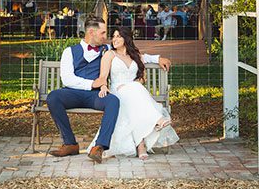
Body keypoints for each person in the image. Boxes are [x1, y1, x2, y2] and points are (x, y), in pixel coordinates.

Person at [47, 15, 170, 163]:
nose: (106, 37)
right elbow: (67, 79)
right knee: (53, 97)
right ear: (91, 32)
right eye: (103, 33)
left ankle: (99, 147)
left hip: (96, 95)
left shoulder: (107, 49)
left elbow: (131, 54)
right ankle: (70, 143)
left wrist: (157, 59)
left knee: (113, 101)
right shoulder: (69, 51)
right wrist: (93, 83)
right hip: (73, 93)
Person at [87, 27, 179, 160]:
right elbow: (103, 76)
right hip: (117, 91)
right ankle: (156, 122)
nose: (114, 39)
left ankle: (141, 144)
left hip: (133, 91)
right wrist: (103, 86)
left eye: (118, 36)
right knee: (134, 92)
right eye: (113, 36)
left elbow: (142, 78)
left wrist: (158, 59)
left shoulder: (135, 55)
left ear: (126, 38)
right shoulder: (109, 54)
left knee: (134, 95)